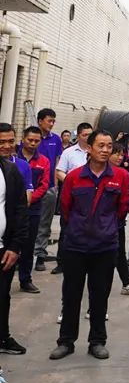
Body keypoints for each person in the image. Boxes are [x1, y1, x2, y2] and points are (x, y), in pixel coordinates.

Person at [50, 129, 129, 361]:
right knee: (71, 295)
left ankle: (97, 341)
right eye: (101, 146)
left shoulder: (120, 176)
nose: (106, 150)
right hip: (75, 246)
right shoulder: (74, 177)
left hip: (105, 247)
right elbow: (66, 208)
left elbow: (122, 208)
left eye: (109, 146)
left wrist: (106, 228)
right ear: (89, 148)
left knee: (100, 296)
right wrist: (79, 229)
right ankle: (66, 341)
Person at [0, 123, 29, 362]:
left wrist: (15, 246)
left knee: (2, 295)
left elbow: (20, 210)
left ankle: (2, 337)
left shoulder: (11, 171)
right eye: (2, 142)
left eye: (11, 141)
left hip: (4, 248)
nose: (7, 146)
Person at [49, 122, 93, 275]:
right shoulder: (69, 152)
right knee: (67, 229)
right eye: (85, 135)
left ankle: (85, 261)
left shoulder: (96, 151)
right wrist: (72, 182)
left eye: (90, 134)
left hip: (91, 197)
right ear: (78, 136)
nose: (87, 137)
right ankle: (61, 262)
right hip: (72, 196)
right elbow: (59, 171)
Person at [17, 125, 49, 294]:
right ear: (23, 139)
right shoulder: (12, 158)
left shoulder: (43, 161)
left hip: (32, 209)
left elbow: (44, 185)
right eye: (30, 140)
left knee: (28, 246)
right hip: (11, 209)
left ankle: (25, 279)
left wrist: (29, 200)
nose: (33, 143)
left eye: (36, 141)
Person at [33, 109, 65, 273]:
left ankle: (40, 254)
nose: (51, 124)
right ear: (40, 121)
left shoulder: (56, 140)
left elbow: (58, 162)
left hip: (49, 187)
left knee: (45, 223)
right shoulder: (32, 137)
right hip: (32, 186)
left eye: (53, 121)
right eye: (49, 121)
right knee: (27, 221)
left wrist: (55, 185)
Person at [108, 146, 129, 297]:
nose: (119, 157)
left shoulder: (123, 174)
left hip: (117, 222)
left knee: (120, 254)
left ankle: (126, 284)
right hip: (97, 224)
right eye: (116, 154)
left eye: (121, 155)